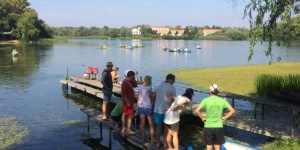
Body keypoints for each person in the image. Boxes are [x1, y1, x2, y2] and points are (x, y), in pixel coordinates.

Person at [194, 84, 235, 150]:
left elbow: (197, 110)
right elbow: (232, 111)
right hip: (219, 126)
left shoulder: (206, 100)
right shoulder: (222, 101)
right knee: (217, 145)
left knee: (209, 146)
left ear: (210, 91)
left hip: (208, 126)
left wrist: (202, 117)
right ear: (218, 91)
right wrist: (225, 117)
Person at [152, 74, 176, 148]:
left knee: (158, 127)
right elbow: (174, 99)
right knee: (167, 128)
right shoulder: (172, 87)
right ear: (170, 79)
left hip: (157, 109)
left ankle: (158, 143)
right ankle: (165, 143)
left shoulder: (158, 84)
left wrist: (154, 102)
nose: (174, 82)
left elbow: (152, 93)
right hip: (167, 111)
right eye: (174, 80)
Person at [137, 76, 155, 143]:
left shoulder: (140, 87)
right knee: (151, 124)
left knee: (142, 123)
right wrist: (154, 103)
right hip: (148, 107)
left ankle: (143, 138)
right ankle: (152, 140)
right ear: (149, 81)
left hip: (141, 107)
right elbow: (151, 98)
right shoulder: (150, 88)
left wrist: (137, 105)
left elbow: (139, 97)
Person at [121, 71, 136, 135]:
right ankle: (128, 130)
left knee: (125, 114)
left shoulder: (129, 82)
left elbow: (135, 84)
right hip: (127, 102)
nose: (134, 77)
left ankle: (124, 128)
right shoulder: (125, 82)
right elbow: (123, 93)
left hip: (129, 102)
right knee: (130, 115)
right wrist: (127, 102)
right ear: (131, 76)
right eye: (133, 76)